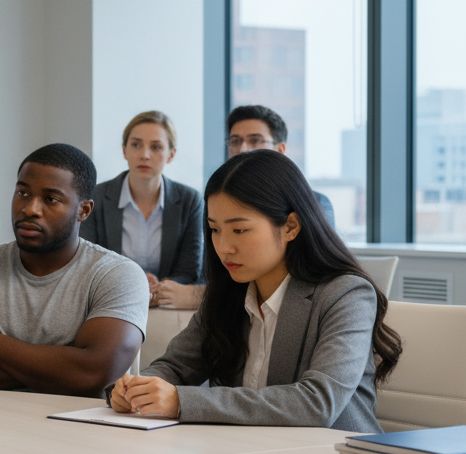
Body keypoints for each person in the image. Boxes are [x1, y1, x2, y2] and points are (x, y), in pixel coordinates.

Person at [109, 150, 402, 430]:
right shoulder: (229, 292)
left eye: (239, 230)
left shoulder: (346, 295)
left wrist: (181, 401)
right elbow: (175, 367)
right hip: (247, 453)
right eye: (215, 229)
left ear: (291, 226)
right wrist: (138, 389)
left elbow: (317, 403)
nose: (224, 247)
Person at [0, 143, 149, 396]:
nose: (30, 209)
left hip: (69, 422)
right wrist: (56, 374)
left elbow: (92, 374)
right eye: (23, 193)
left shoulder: (118, 275)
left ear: (83, 210)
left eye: (50, 199)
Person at [153, 103, 337, 310]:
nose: (242, 149)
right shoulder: (218, 200)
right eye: (235, 141)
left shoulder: (313, 204)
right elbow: (216, 273)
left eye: (255, 140)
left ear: (280, 150)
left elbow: (310, 278)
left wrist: (198, 296)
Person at [80, 111, 203, 306]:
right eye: (136, 145)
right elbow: (88, 263)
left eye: (156, 147)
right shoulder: (96, 197)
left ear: (171, 155)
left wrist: (158, 289)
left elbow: (189, 271)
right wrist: (133, 284)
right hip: (109, 301)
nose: (145, 155)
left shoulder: (190, 200)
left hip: (165, 305)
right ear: (124, 150)